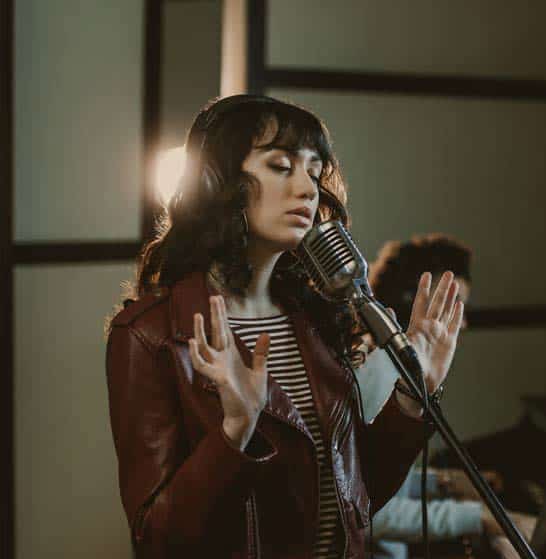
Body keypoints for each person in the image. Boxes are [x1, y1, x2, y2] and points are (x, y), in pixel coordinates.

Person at [105, 95, 465, 558]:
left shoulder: (315, 317)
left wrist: (413, 399)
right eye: (281, 166)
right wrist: (235, 432)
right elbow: (157, 538)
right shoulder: (148, 335)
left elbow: (354, 495)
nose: (308, 189)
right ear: (219, 181)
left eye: (314, 173)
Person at [357, 235, 536, 559]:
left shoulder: (387, 361)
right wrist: (480, 519)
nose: (463, 322)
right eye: (453, 307)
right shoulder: (376, 369)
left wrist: (443, 482)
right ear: (409, 300)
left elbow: (376, 472)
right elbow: (367, 509)